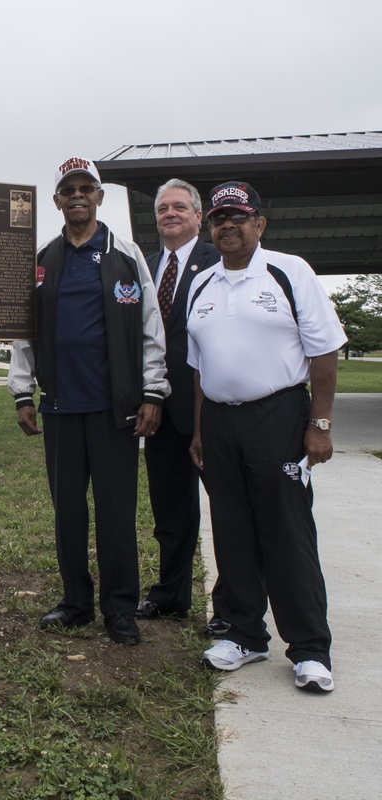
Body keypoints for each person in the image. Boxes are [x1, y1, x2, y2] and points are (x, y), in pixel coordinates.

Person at [187, 182, 344, 692]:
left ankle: (309, 648)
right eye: (218, 217)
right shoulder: (202, 283)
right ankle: (243, 635)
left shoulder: (288, 271)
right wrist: (198, 429)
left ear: (259, 223)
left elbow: (324, 353)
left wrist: (318, 424)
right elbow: (197, 367)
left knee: (286, 531)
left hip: (277, 416)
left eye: (237, 215)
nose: (226, 224)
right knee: (230, 530)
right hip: (219, 422)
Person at [9, 156, 169, 646]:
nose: (77, 196)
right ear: (57, 200)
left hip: (114, 410)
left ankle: (120, 608)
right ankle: (75, 602)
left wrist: (152, 391)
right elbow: (24, 333)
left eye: (86, 189)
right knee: (69, 514)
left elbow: (150, 328)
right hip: (60, 407)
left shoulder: (126, 254)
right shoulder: (43, 259)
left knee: (117, 513)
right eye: (68, 190)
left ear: (100, 196)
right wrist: (23, 392)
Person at [136, 180, 221, 627]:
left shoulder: (220, 261)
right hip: (160, 412)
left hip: (211, 410)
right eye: (163, 208)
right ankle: (170, 595)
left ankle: (232, 605)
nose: (170, 213)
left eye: (180, 207)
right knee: (170, 509)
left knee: (227, 511)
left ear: (197, 215)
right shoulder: (143, 266)